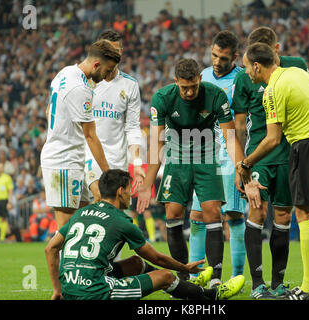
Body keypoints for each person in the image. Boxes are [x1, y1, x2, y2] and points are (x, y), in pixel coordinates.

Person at [237, 42, 309, 300]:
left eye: (246, 67)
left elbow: (273, 139)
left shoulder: (271, 90)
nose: (246, 73)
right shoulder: (299, 73)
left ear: (256, 65)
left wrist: (246, 162)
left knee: (304, 213)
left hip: (306, 146)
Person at [136, 58, 260, 287]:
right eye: (184, 87)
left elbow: (230, 138)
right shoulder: (162, 98)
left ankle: (214, 278)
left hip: (206, 159)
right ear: (176, 82)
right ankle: (182, 276)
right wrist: (147, 185)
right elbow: (156, 142)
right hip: (176, 161)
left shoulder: (215, 96)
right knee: (173, 214)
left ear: (200, 79)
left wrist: (244, 173)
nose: (190, 92)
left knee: (213, 212)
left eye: (194, 86)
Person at [45, 169, 245, 300]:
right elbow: (157, 258)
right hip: (96, 292)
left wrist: (57, 290)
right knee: (166, 277)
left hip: (70, 287)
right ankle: (213, 294)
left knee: (134, 263)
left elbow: (51, 248)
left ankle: (184, 286)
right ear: (120, 191)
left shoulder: (81, 213)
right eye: (129, 190)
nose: (131, 195)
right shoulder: (122, 222)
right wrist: (184, 267)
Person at [231, 26, 309, 299]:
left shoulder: (296, 67)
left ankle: (277, 284)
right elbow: (239, 126)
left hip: (290, 153)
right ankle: (257, 285)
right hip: (259, 156)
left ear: (276, 49)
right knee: (257, 210)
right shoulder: (244, 78)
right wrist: (241, 165)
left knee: (284, 215)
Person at [40, 40, 120, 229]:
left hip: (69, 157)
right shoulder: (80, 89)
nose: (108, 76)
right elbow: (90, 135)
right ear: (96, 64)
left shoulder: (65, 73)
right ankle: (57, 259)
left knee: (81, 222)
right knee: (67, 229)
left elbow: (47, 112)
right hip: (64, 161)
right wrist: (108, 173)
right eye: (108, 71)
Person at [189, 30, 247, 282]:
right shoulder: (201, 77)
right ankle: (196, 275)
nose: (216, 61)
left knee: (233, 215)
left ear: (234, 56)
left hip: (231, 154)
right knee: (196, 217)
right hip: (204, 154)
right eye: (213, 55)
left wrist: (242, 163)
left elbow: (243, 124)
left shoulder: (243, 78)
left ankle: (236, 277)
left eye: (223, 58)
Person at [80, 30, 145, 206]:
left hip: (117, 158)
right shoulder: (85, 81)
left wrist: (137, 163)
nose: (112, 55)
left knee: (120, 206)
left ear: (121, 52)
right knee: (101, 198)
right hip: (90, 153)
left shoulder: (130, 85)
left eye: (116, 51)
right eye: (107, 50)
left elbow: (132, 127)